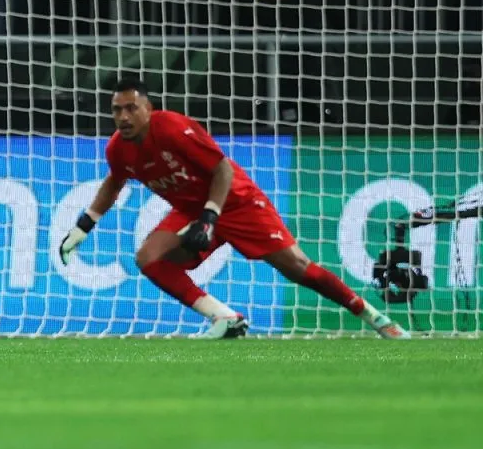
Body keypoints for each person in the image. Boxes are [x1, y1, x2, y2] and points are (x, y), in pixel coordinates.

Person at [58, 78, 411, 339]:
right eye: (117, 109)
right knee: (149, 258)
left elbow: (222, 169)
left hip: (235, 201)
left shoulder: (173, 128)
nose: (123, 116)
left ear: (149, 109)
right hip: (193, 209)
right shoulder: (118, 148)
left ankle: (375, 318)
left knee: (297, 267)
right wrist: (83, 226)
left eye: (131, 107)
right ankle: (224, 319)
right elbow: (114, 183)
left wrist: (211, 216)